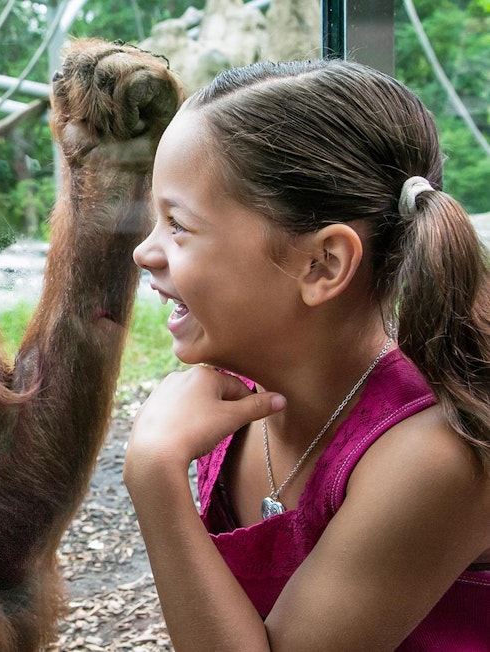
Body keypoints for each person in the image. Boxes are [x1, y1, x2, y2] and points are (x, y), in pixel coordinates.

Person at [124, 58, 490, 650]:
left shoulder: (434, 455)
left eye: (179, 226)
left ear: (322, 265)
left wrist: (154, 474)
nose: (146, 251)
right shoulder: (234, 402)